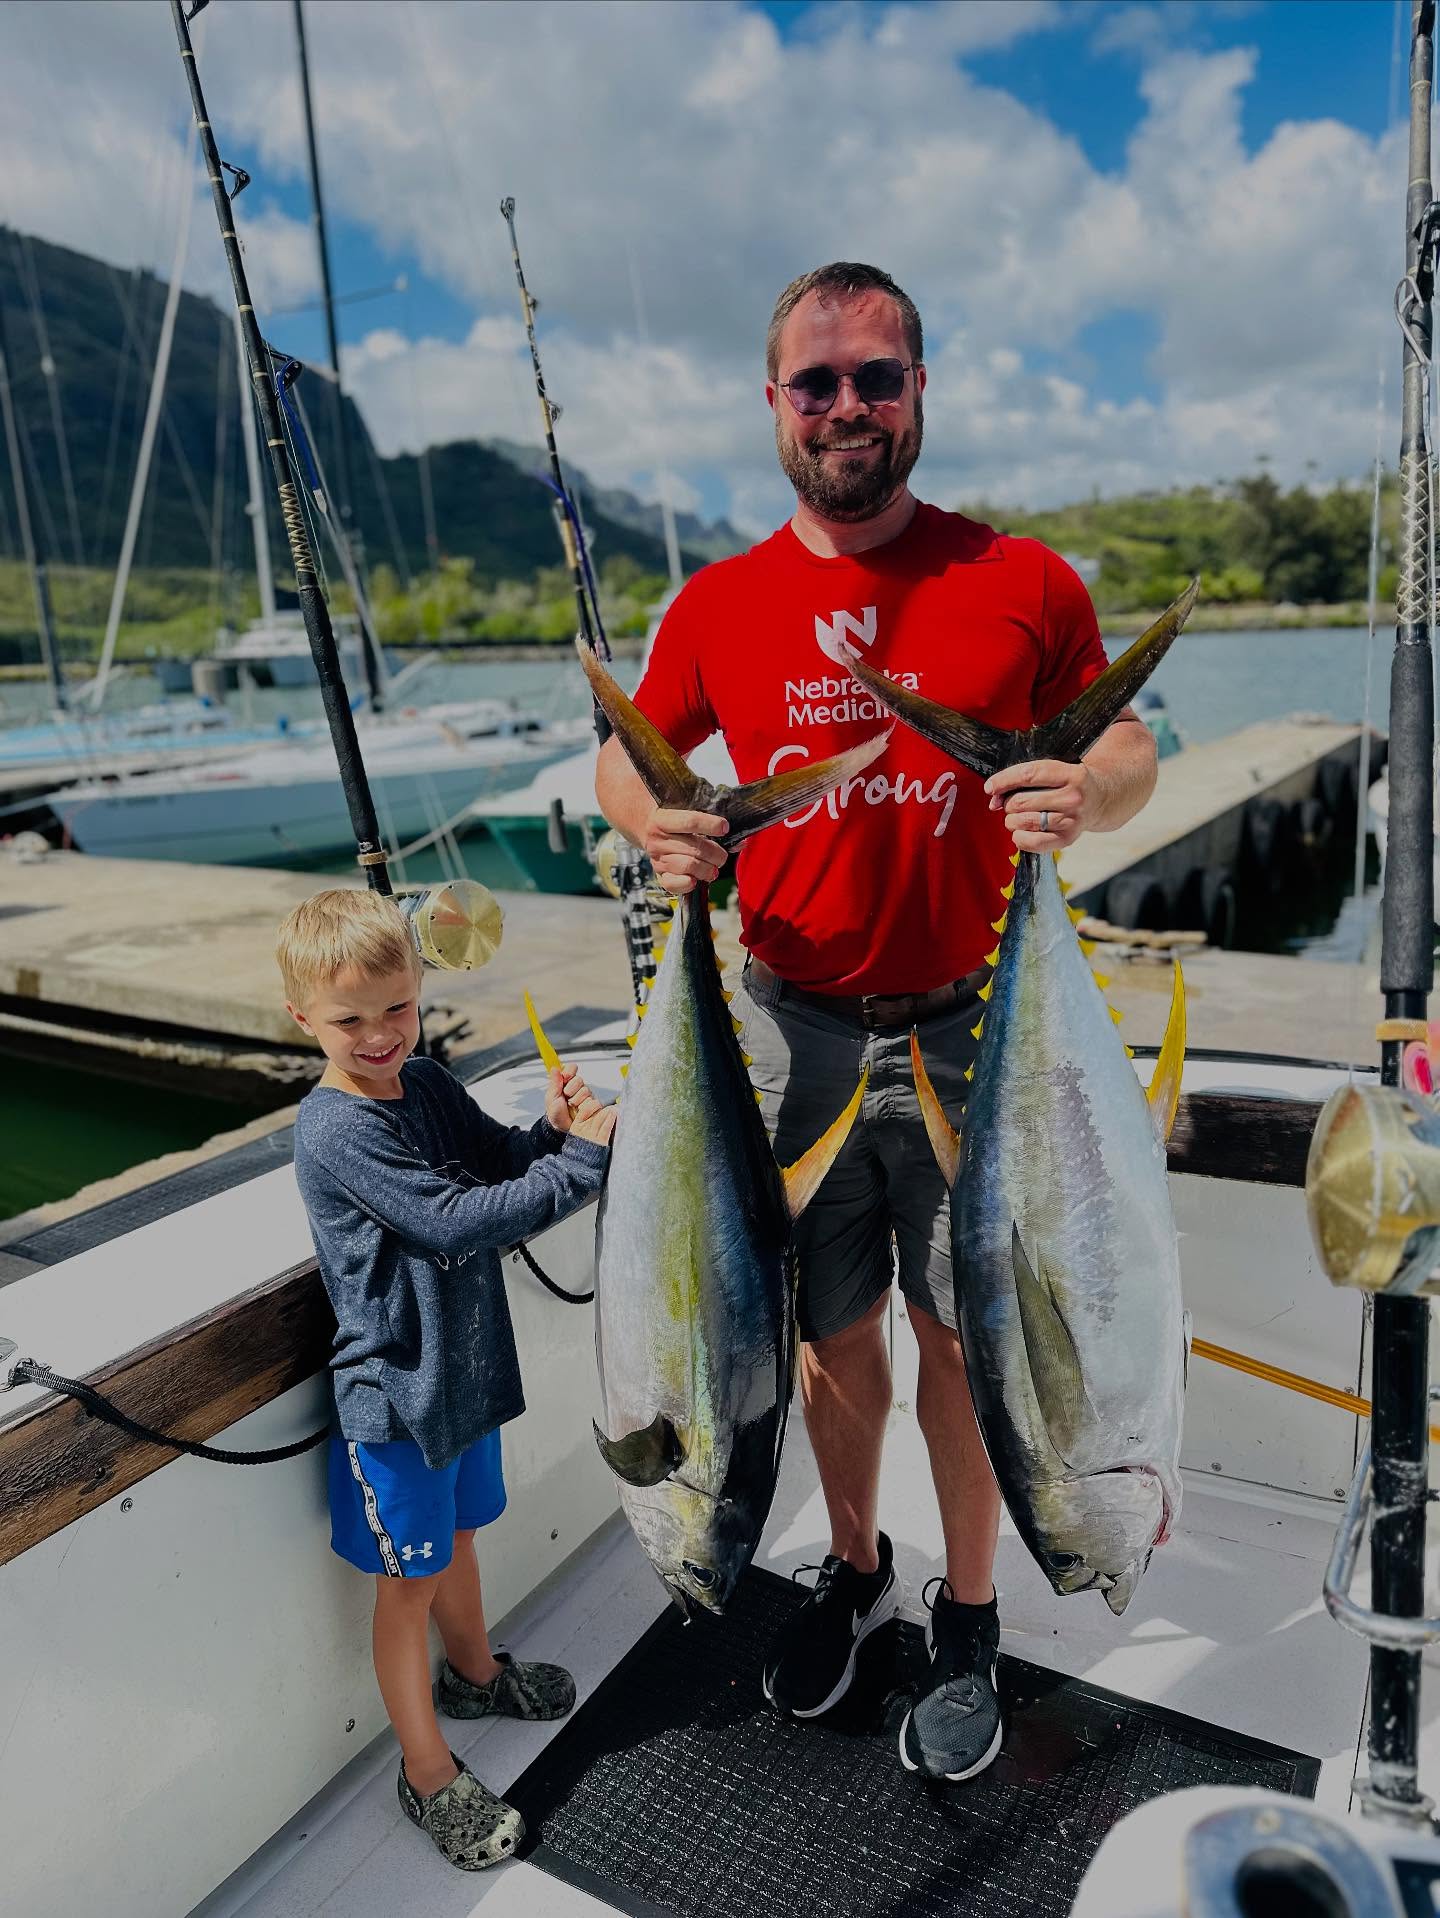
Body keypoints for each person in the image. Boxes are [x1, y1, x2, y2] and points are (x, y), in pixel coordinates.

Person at [594, 261, 1157, 1784]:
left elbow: (1129, 747)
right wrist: (665, 825)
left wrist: (1081, 790)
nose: (850, 405)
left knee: (969, 1342)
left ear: (920, 393)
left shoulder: (1022, 582)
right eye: (819, 381)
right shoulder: (717, 605)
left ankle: (969, 1616)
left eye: (878, 377)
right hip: (792, 1027)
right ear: (773, 403)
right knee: (834, 1341)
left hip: (985, 1028)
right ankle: (855, 1565)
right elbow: (627, 764)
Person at [278, 888, 616, 1869]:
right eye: (350, 1019)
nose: (380, 1033)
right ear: (303, 1018)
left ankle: (473, 1674)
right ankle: (425, 1771)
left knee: (463, 1536)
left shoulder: (422, 1084)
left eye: (397, 1007)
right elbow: (454, 1219)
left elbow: (493, 1157)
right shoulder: (336, 1129)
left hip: (464, 1375)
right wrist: (584, 1168)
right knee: (411, 1579)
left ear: (419, 991)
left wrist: (553, 1134)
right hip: (395, 1401)